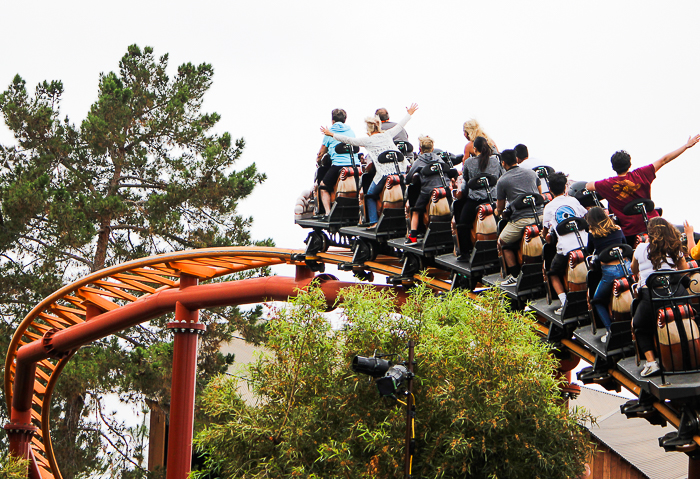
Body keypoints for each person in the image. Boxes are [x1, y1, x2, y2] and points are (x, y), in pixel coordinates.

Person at [585, 135, 700, 243]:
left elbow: (588, 186)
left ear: (613, 167)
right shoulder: (641, 174)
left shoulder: (607, 184)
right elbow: (664, 159)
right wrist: (686, 146)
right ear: (630, 164)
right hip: (654, 224)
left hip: (631, 233)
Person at [322, 103, 418, 228]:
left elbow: (348, 140)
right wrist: (409, 113)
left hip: (384, 173)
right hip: (401, 170)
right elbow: (400, 125)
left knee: (370, 195)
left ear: (369, 129)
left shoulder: (367, 140)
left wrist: (332, 134)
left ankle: (373, 222)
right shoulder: (388, 134)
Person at [631, 217, 688, 377]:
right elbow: (683, 271)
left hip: (652, 297)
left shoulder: (641, 248)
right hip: (675, 294)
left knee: (639, 326)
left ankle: (651, 362)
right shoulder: (674, 247)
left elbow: (634, 270)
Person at [495, 149, 543, 285]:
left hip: (522, 219)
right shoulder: (531, 173)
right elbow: (539, 194)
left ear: (503, 163)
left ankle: (515, 276)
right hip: (540, 215)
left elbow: (500, 207)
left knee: (503, 242)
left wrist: (497, 212)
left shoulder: (502, 180)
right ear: (517, 159)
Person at [542, 172, 588, 314]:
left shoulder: (549, 207)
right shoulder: (573, 201)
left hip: (566, 248)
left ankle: (564, 302)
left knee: (552, 273)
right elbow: (585, 216)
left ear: (550, 190)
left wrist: (546, 237)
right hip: (585, 244)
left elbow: (545, 233)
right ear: (565, 188)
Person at [586, 206, 629, 343]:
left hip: (610, 272)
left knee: (597, 300)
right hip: (626, 267)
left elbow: (589, 251)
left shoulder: (592, 233)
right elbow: (625, 244)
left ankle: (610, 330)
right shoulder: (617, 228)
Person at [455, 136, 503, 256]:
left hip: (475, 199)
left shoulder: (469, 162)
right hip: (492, 198)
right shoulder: (495, 161)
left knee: (462, 224)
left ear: (475, 149)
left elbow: (465, 180)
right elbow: (500, 176)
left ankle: (465, 252)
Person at [404, 135, 452, 243]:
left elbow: (408, 178)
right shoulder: (438, 158)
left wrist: (406, 180)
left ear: (420, 149)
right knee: (451, 208)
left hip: (427, 190)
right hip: (443, 188)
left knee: (415, 210)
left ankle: (413, 236)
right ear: (432, 148)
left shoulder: (419, 161)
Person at [315, 108, 356, 218]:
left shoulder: (329, 132)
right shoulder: (351, 132)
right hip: (354, 165)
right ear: (345, 120)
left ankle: (327, 212)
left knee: (323, 186)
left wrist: (318, 160)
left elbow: (321, 153)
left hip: (338, 165)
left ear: (332, 120)